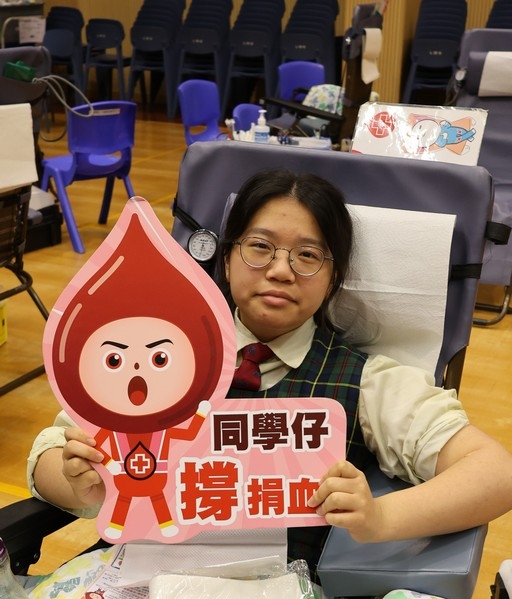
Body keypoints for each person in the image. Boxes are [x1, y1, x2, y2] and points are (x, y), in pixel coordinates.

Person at [28, 169, 512, 577]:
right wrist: (81, 481)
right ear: (227, 257)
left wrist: (379, 516)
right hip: (133, 586)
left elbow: (495, 472)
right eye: (260, 247)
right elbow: (48, 453)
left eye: (308, 256)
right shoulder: (159, 353)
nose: (281, 270)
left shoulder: (367, 381)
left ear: (333, 278)